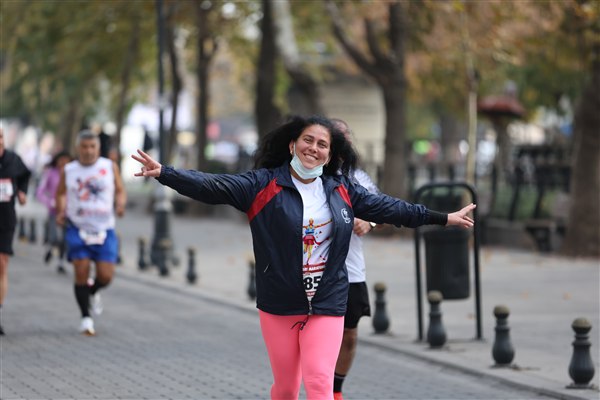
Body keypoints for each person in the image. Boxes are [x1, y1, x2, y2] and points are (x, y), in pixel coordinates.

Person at [131, 115, 475, 400]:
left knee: (320, 384)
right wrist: (166, 173)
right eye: (308, 140)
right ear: (292, 145)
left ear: (329, 154)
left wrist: (443, 218)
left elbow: (393, 208)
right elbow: (213, 186)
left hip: (328, 300)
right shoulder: (262, 185)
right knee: (285, 390)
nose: (314, 148)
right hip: (280, 301)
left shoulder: (341, 188)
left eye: (322, 144)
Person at [55, 130, 126, 336]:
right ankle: (85, 318)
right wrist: (61, 210)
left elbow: (120, 190)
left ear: (98, 148)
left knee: (106, 276)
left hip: (104, 229)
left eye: (92, 147)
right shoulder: (69, 169)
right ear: (78, 148)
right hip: (78, 228)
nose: (88, 151)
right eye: (84, 147)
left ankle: (93, 291)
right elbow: (60, 194)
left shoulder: (109, 166)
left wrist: (120, 205)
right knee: (81, 269)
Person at [330, 119, 380, 400]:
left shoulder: (358, 178)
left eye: (346, 134)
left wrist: (369, 222)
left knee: (349, 334)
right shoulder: (309, 175)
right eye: (337, 135)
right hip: (315, 271)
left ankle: (335, 391)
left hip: (351, 270)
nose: (343, 139)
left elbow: (382, 208)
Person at [0, 127, 32, 335]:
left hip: (5, 219)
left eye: (0, 136)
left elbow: (25, 176)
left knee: (2, 264)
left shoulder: (13, 159)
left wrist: (22, 192)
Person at [36, 151, 72, 273]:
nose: (63, 163)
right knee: (54, 237)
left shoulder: (73, 173)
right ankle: (50, 248)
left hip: (69, 212)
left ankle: (61, 262)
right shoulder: (50, 173)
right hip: (54, 211)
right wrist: (49, 202)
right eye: (61, 160)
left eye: (66, 161)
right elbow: (40, 192)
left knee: (65, 239)